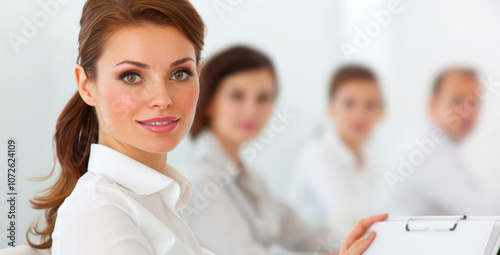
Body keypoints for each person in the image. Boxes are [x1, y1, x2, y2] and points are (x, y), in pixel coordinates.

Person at [7, 0, 211, 254]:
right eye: (131, 76)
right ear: (86, 86)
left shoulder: (157, 203)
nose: (163, 99)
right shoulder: (100, 212)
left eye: (180, 73)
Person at [182, 45, 388, 255]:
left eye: (263, 98)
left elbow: (304, 235)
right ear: (209, 102)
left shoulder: (251, 178)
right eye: (237, 95)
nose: (251, 109)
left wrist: (364, 245)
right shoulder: (201, 181)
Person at [375, 67, 500, 216]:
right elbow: (484, 212)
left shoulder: (439, 145)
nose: (468, 112)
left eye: (474, 104)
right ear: (433, 105)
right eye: (457, 101)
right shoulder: (425, 151)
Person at [287, 65, 385, 240]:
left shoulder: (371, 165)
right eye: (349, 103)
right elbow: (344, 223)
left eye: (370, 105)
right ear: (331, 109)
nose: (360, 115)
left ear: (381, 112)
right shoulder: (317, 154)